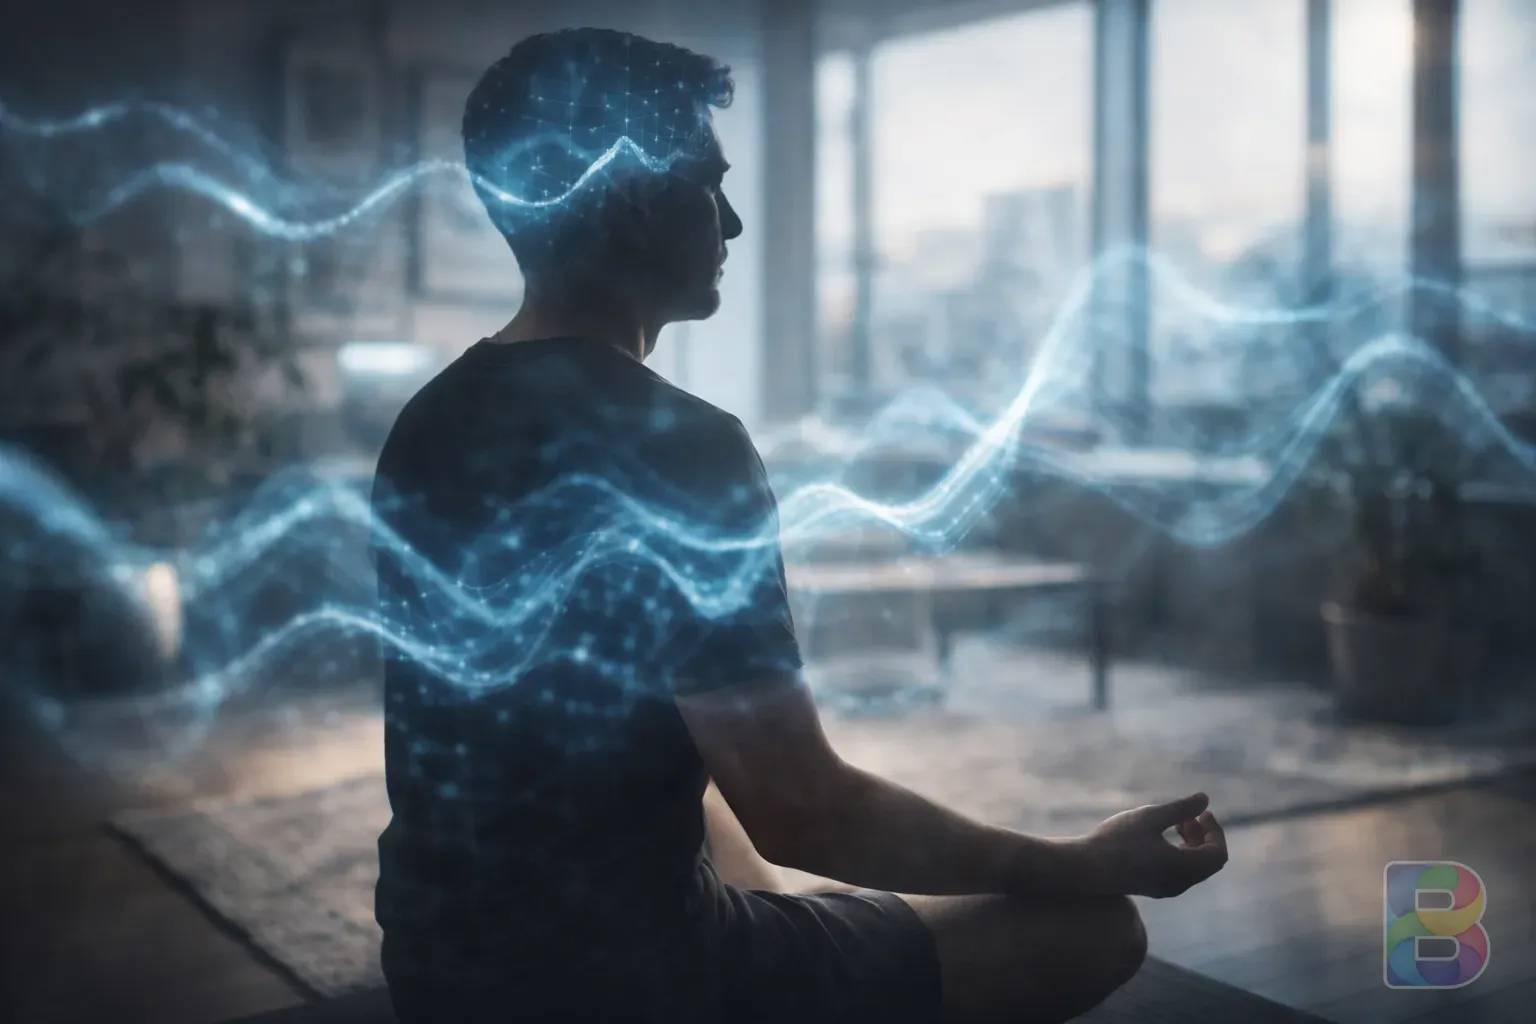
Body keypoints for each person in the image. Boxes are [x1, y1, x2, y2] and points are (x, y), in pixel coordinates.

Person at [371, 27, 1228, 1024]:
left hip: (442, 969)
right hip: (628, 989)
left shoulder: (428, 421)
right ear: (638, 197)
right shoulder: (680, 445)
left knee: (714, 820)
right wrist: (1076, 862)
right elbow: (805, 812)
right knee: (1095, 929)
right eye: (708, 183)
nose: (731, 222)